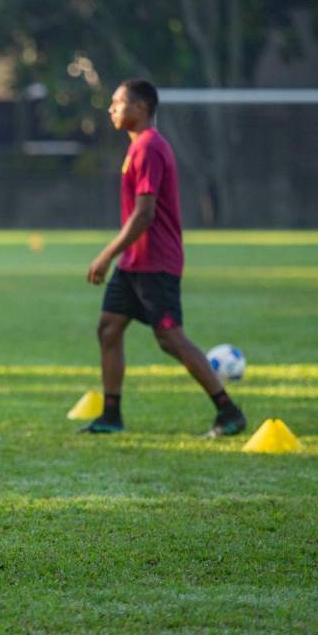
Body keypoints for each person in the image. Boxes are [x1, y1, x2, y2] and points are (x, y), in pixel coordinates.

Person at [83, 78, 247, 437]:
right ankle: (111, 415)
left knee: (170, 339)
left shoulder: (149, 148)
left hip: (155, 261)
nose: (111, 108)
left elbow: (145, 215)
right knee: (108, 328)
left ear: (140, 108)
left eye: (117, 102)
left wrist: (106, 254)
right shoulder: (137, 147)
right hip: (135, 263)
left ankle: (228, 411)